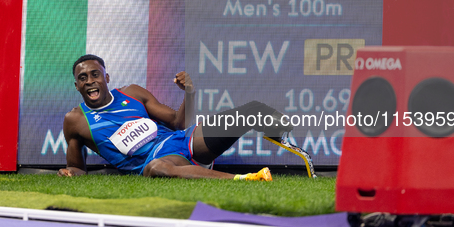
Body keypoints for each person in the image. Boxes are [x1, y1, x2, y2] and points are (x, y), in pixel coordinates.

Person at [58, 54, 293, 180]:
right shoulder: (76, 120)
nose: (89, 81)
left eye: (95, 74)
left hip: (183, 141)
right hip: (161, 163)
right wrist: (70, 172)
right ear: (76, 86)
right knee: (157, 167)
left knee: (252, 110)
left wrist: (189, 94)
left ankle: (288, 139)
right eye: (82, 78)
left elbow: (177, 122)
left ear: (106, 78)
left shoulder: (131, 93)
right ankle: (244, 180)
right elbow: (77, 167)